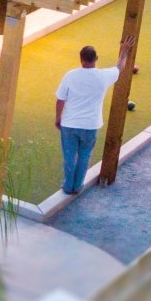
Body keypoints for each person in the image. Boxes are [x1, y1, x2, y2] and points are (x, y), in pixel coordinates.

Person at [54, 38, 134, 196]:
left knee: (69, 156)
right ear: (96, 59)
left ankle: (68, 186)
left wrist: (58, 118)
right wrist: (124, 50)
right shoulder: (103, 76)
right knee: (84, 156)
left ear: (81, 59)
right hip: (90, 125)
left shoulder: (70, 75)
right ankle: (77, 186)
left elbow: (60, 99)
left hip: (70, 124)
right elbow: (119, 67)